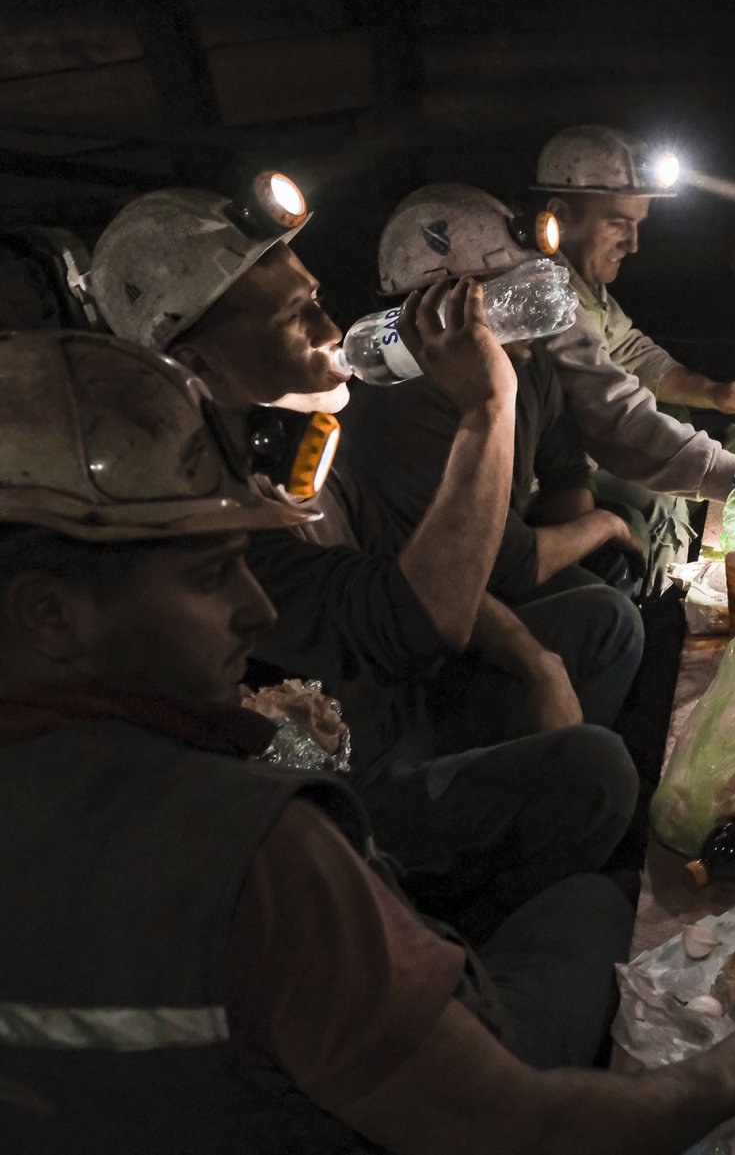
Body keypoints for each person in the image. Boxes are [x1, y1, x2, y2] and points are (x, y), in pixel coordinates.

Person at [0, 329, 735, 1152]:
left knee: (597, 644)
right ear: (50, 615)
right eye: (208, 575)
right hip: (408, 1111)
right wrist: (733, 1075)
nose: (254, 610)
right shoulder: (261, 852)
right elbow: (507, 1126)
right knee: (602, 908)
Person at [87, 180, 642, 943]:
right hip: (338, 790)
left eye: (315, 297)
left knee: (598, 619)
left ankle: (548, 860)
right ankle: (462, 940)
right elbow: (414, 619)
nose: (328, 326)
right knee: (595, 774)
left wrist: (536, 658)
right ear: (202, 369)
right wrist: (489, 407)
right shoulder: (204, 510)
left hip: (390, 705)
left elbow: (404, 563)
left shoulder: (306, 438)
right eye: (295, 316)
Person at [532, 124, 735, 574]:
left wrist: (713, 393)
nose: (634, 244)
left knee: (677, 436)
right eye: (618, 224)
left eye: (639, 224)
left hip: (578, 462)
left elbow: (630, 349)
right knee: (660, 502)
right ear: (559, 214)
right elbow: (623, 425)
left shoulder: (576, 281)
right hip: (540, 485)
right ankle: (663, 619)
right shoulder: (540, 297)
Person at [345, 183, 642, 606]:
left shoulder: (525, 358)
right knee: (606, 614)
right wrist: (605, 527)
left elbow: (566, 470)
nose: (526, 312)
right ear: (440, 309)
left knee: (613, 549)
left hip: (501, 567)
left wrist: (591, 544)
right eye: (503, 294)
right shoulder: (407, 404)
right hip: (442, 608)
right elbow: (507, 566)